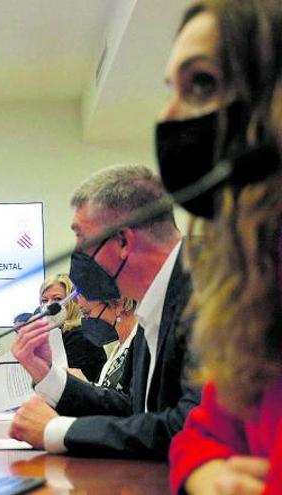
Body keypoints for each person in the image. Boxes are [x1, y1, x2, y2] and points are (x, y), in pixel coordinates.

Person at [158, 2, 282, 493]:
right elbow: (202, 431)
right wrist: (205, 471)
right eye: (171, 89)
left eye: (202, 84)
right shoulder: (254, 278)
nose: (168, 117)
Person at [8, 164, 201, 459]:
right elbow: (136, 412)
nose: (76, 254)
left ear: (123, 240)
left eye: (81, 237)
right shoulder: (158, 301)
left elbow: (190, 429)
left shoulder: (207, 294)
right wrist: (47, 375)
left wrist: (59, 431)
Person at [39, 273, 107, 382]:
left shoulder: (80, 335)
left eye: (57, 299)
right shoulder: (54, 334)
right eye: (44, 300)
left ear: (72, 301)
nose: (49, 306)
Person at [76, 296, 138, 391]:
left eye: (87, 313)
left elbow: (128, 402)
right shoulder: (118, 349)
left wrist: (85, 389)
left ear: (119, 304)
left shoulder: (140, 348)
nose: (87, 321)